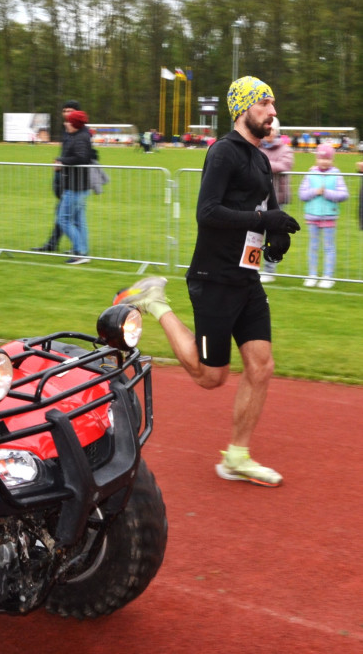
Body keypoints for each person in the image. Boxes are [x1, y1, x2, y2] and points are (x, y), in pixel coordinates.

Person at [113, 76, 300, 487]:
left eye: (273, 104)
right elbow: (208, 212)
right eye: (266, 103)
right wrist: (263, 219)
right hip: (213, 277)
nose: (273, 112)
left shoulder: (261, 159)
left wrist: (276, 234)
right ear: (244, 108)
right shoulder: (223, 153)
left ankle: (236, 456)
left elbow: (264, 209)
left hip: (246, 278)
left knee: (261, 366)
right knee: (211, 376)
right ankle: (154, 301)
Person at [31, 100, 84, 253]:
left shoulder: (78, 131)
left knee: (64, 214)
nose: (67, 113)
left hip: (73, 179)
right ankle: (73, 247)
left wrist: (62, 161)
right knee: (68, 214)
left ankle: (74, 248)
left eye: (70, 110)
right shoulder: (66, 129)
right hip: (63, 176)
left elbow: (81, 156)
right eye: (65, 110)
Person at [298, 144, 349, 288]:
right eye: (321, 158)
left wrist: (326, 193)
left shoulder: (336, 174)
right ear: (317, 158)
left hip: (329, 216)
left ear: (332, 160)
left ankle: (328, 276)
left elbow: (344, 194)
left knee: (328, 247)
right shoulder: (310, 173)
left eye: (327, 159)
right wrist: (315, 191)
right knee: (313, 246)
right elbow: (302, 194)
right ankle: (312, 275)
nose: (324, 162)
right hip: (312, 216)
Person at [259, 117, 294, 282]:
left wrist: (262, 164)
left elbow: (285, 166)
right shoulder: (256, 146)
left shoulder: (284, 149)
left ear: (276, 131)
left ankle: (269, 268)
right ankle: (251, 264)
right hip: (258, 197)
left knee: (273, 234)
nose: (269, 133)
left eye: (272, 130)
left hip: (276, 198)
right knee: (255, 232)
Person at [57, 108, 93, 265]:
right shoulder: (79, 135)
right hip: (78, 185)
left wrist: (62, 162)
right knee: (79, 220)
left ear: (75, 124)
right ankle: (82, 250)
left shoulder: (80, 137)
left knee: (63, 219)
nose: (66, 124)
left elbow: (82, 158)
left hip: (76, 186)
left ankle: (80, 252)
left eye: (69, 121)